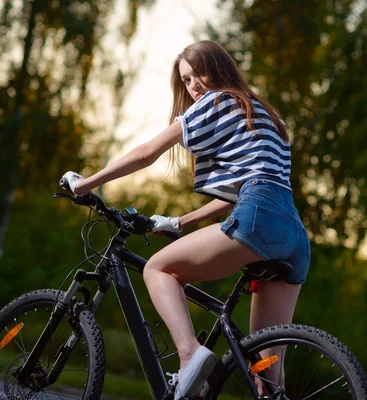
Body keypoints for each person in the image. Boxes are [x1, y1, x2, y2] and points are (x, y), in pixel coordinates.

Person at [61, 40, 310, 399]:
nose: (194, 86)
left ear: (220, 69)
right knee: (268, 377)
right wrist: (178, 222)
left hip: (259, 217)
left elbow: (147, 153)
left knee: (158, 269)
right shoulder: (268, 116)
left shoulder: (217, 100)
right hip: (292, 234)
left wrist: (85, 185)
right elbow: (250, 191)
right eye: (186, 80)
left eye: (199, 74)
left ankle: (190, 356)